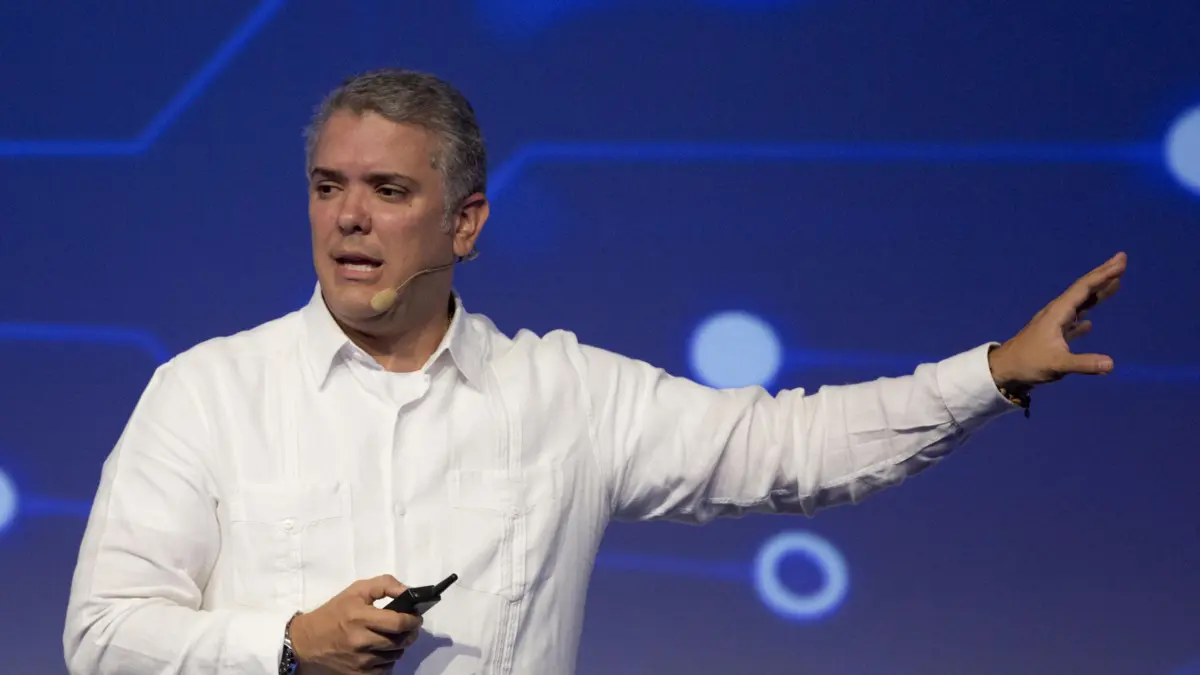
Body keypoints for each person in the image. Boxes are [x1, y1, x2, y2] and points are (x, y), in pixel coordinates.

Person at [62, 68, 1126, 675]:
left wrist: (993, 372)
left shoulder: (566, 396)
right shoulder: (206, 393)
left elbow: (790, 448)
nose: (347, 217)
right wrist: (287, 646)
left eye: (387, 190)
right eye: (327, 185)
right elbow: (102, 636)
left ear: (465, 224)